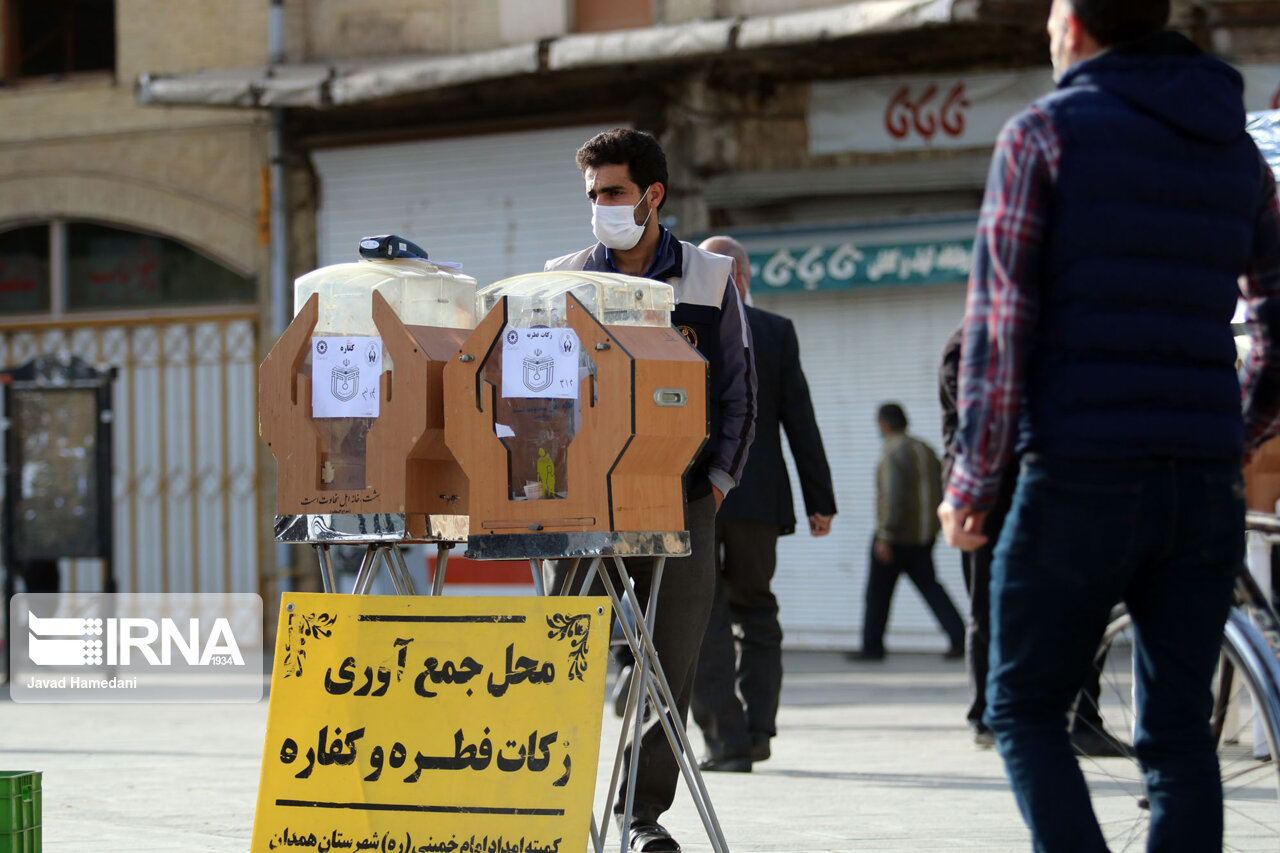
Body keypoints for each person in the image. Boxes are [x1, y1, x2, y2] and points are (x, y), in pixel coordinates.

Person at [937, 1, 1280, 849]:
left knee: (1023, 707)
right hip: (1202, 484)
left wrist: (973, 482)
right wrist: (1235, 435)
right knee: (1176, 734)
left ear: (1077, 25)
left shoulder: (1043, 134)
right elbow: (1277, 324)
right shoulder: (1234, 148)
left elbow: (1000, 328)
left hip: (1079, 473)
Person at [543, 128, 756, 853]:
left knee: (670, 664)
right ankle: (548, 801)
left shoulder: (707, 280)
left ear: (652, 195)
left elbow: (737, 393)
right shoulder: (561, 276)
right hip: (579, 505)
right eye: (593, 195)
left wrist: (718, 485)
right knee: (560, 651)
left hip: (683, 501)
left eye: (613, 193)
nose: (600, 206)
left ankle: (641, 818)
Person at [939, 325, 1128, 758]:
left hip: (1057, 483)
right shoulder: (969, 343)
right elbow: (968, 426)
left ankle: (1080, 718)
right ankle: (988, 716)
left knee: (1079, 604)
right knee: (991, 606)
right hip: (988, 493)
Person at [690, 235, 836, 773]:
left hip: (700, 496)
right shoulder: (775, 331)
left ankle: (726, 743)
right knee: (756, 610)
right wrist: (820, 501)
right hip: (758, 505)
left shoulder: (685, 328)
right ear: (748, 277)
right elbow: (801, 419)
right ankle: (757, 732)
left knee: (704, 616)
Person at [855, 402, 964, 661]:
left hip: (896, 538)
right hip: (923, 538)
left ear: (884, 424)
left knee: (878, 594)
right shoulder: (925, 449)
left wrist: (885, 535)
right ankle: (960, 638)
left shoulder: (893, 452)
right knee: (931, 588)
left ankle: (872, 648)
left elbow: (891, 496)